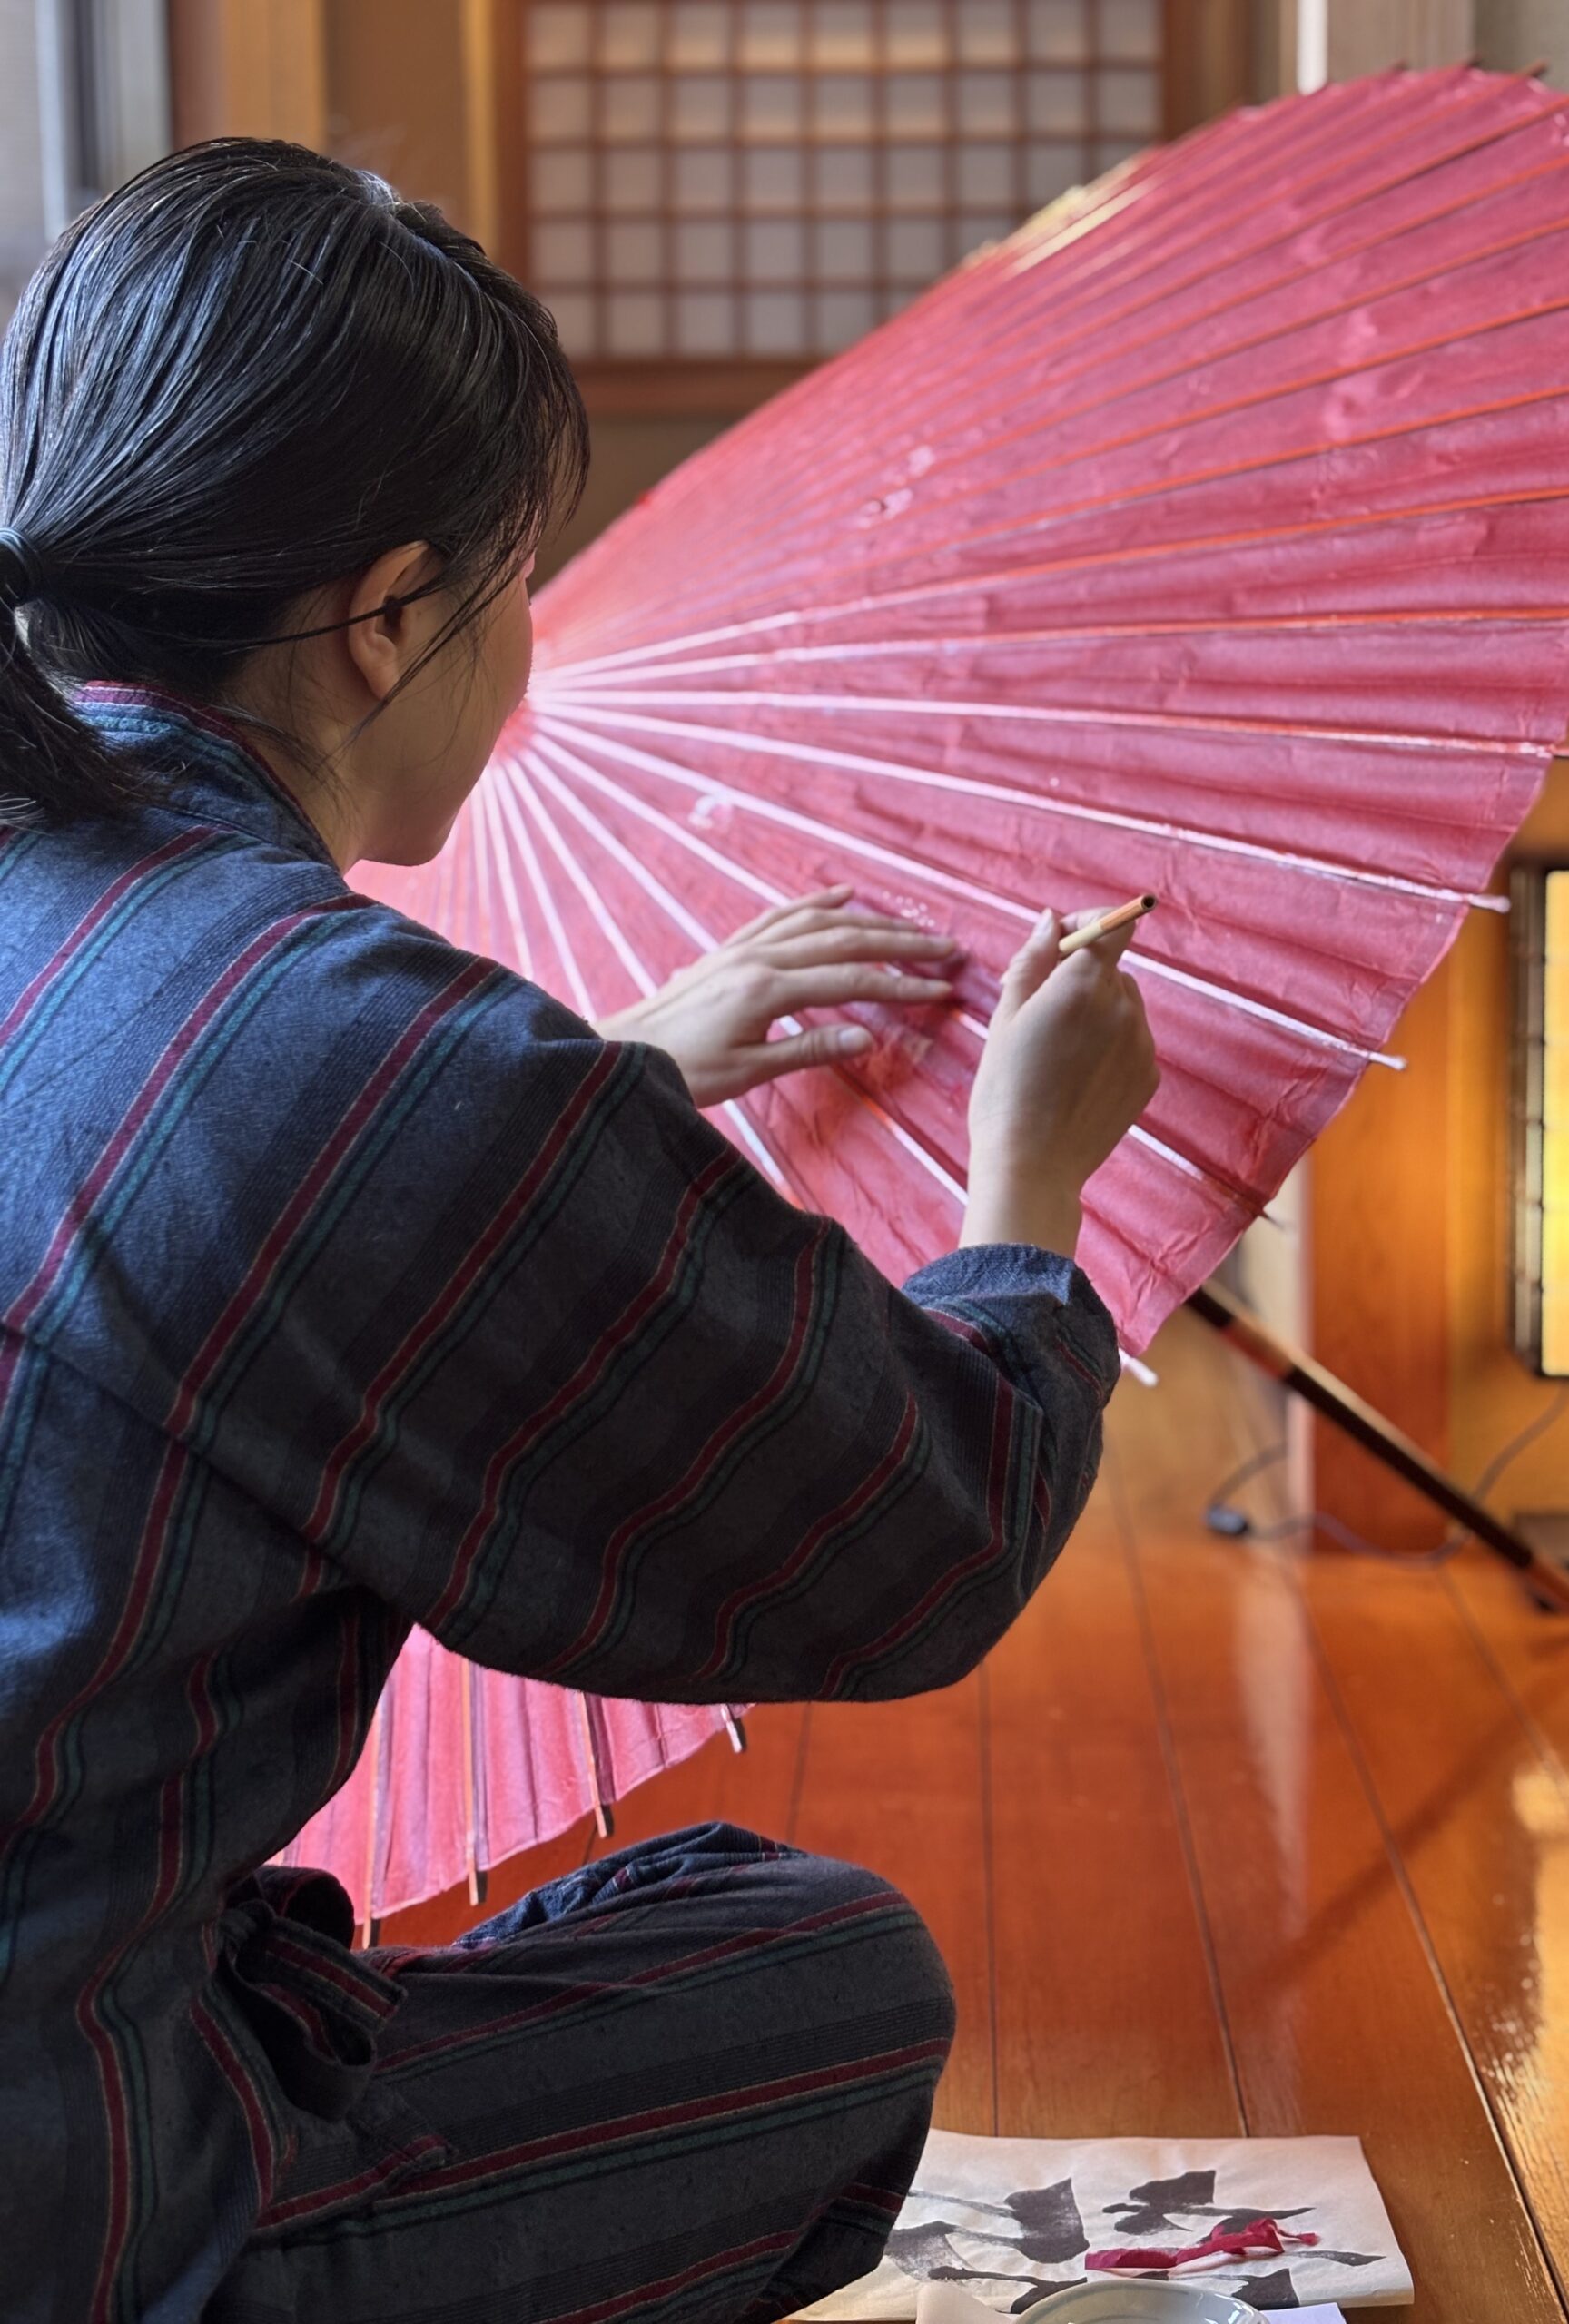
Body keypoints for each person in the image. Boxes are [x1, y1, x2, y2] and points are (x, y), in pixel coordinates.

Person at [0, 143, 1159, 2324]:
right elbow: (926, 1531)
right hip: (91, 2213)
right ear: (386, 614)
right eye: (518, 572)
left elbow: (154, 1195)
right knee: (826, 1964)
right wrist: (1032, 1177)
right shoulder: (349, 1057)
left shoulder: (138, 955)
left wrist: (604, 1077)